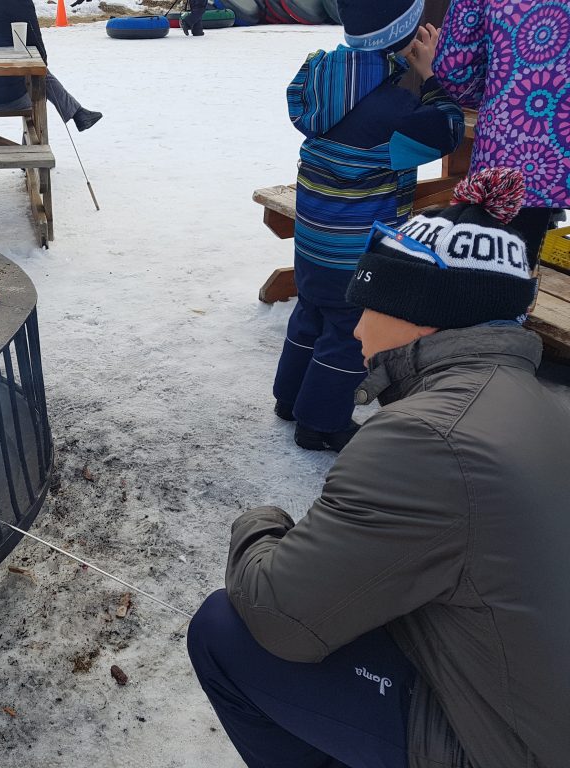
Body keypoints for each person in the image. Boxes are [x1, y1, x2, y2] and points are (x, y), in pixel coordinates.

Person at [189, 168, 570, 768]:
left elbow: (279, 611)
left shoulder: (427, 439)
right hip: (535, 711)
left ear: (426, 318)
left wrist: (258, 522)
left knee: (224, 630)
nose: (359, 328)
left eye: (369, 305)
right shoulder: (542, 400)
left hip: (501, 747)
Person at [272, 0, 465, 452]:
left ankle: (289, 399)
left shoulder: (323, 74)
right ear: (405, 32)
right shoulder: (397, 113)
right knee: (347, 332)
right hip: (354, 250)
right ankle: (320, 424)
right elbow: (447, 132)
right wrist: (431, 77)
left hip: (315, 237)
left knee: (311, 313)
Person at [433, 1, 570, 268]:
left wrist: (501, 91)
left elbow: (453, 70)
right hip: (529, 142)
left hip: (519, 141)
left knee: (505, 272)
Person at [0, 0, 102, 132]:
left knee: (37, 77)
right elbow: (38, 52)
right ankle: (34, 148)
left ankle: (77, 113)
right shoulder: (19, 3)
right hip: (6, 97)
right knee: (38, 88)